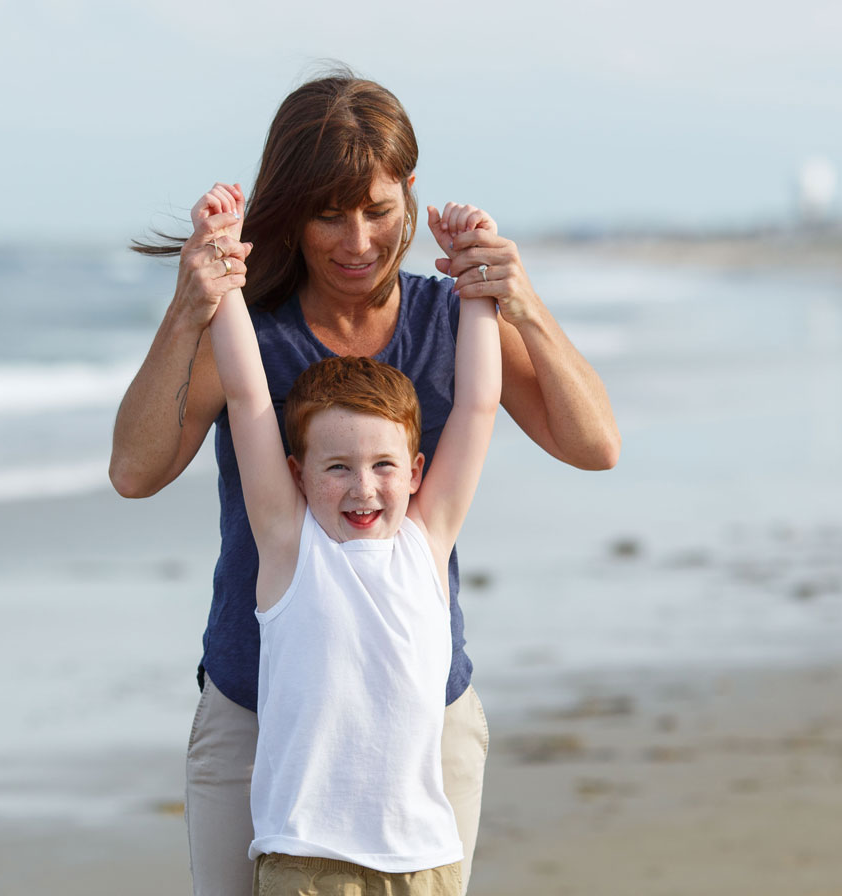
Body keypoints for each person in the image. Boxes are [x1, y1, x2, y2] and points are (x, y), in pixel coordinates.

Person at [111, 68, 619, 896]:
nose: (356, 241)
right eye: (327, 214)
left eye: (378, 211)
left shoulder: (452, 320)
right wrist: (191, 305)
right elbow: (134, 471)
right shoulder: (256, 337)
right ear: (290, 212)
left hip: (424, 733)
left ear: (409, 195)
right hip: (255, 718)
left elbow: (594, 444)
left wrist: (516, 299)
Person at [206, 182, 499, 895]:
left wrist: (477, 281)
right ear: (298, 474)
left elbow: (478, 403)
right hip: (304, 859)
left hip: (420, 858)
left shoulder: (426, 539)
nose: (363, 488)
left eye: (383, 467)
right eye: (337, 467)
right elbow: (247, 398)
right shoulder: (289, 545)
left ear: (416, 471)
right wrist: (220, 272)